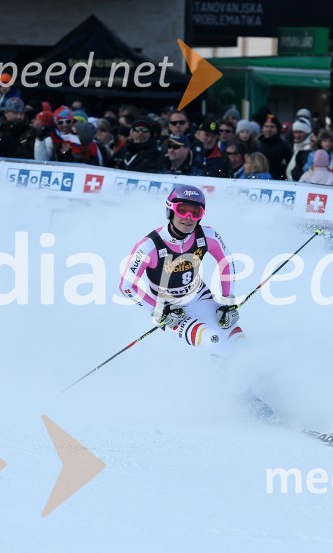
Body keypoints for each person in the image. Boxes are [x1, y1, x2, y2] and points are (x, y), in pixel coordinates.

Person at [119, 185, 276, 421]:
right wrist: (158, 309)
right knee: (213, 340)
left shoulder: (207, 235)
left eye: (196, 212)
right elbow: (126, 286)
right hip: (172, 310)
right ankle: (244, 400)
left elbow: (227, 263)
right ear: (170, 210)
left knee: (238, 343)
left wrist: (227, 302)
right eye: (183, 210)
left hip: (199, 296)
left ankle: (264, 387)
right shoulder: (149, 246)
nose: (189, 218)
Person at [255, 114, 291, 180]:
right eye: (266, 126)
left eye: (272, 127)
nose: (269, 129)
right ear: (262, 128)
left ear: (277, 129)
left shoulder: (284, 146)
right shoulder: (257, 144)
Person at [285, 117, 313, 181]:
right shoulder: (295, 146)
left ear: (307, 132)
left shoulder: (309, 149)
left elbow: (310, 171)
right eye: (295, 132)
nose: (297, 135)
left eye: (301, 132)